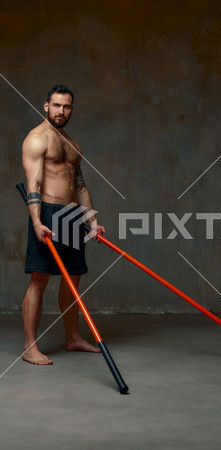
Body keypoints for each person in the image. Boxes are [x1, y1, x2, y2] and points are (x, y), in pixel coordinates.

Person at [21, 84, 106, 365]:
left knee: (72, 279)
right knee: (40, 279)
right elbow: (33, 183)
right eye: (56, 105)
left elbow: (80, 186)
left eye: (66, 106)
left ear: (71, 108)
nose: (61, 111)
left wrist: (92, 222)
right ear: (46, 106)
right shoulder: (37, 139)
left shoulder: (72, 144)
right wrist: (36, 221)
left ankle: (72, 338)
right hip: (46, 212)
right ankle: (29, 346)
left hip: (71, 215)